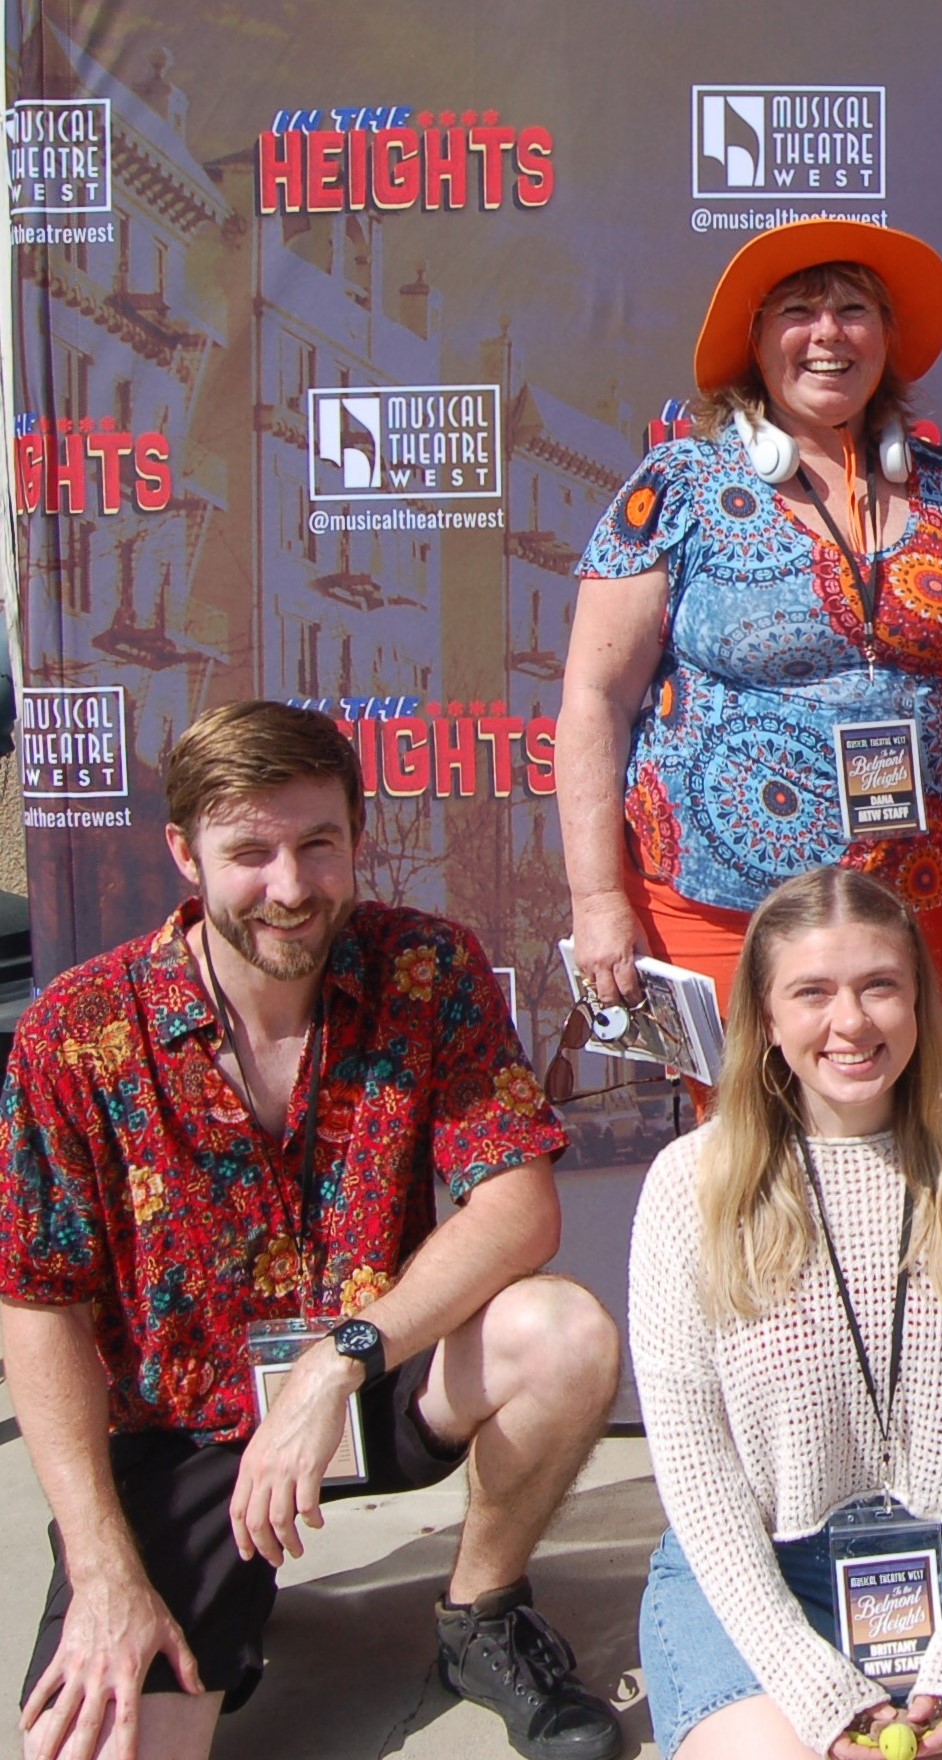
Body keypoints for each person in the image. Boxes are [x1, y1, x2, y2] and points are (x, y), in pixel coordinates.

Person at [0, 701, 624, 1760]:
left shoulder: (425, 966)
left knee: (562, 1332)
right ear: (184, 854)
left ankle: (480, 1613)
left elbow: (519, 1204)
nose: (290, 887)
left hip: (370, 1374)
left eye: (316, 844)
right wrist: (108, 1567)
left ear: (355, 837)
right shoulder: (76, 1029)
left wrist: (340, 1360)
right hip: (182, 1431)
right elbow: (38, 1303)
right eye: (249, 852)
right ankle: (215, 1608)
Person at [628, 865, 942, 1760]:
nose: (851, 1022)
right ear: (764, 1015)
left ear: (920, 1001)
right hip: (756, 1581)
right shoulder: (692, 1183)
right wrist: (808, 1682)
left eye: (880, 986)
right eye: (812, 992)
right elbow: (695, 1468)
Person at [561, 218, 942, 1056]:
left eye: (854, 308)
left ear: (887, 337)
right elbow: (595, 700)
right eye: (798, 311)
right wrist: (598, 897)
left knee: (895, 1138)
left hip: (909, 899)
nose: (828, 334)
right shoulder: (678, 485)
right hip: (717, 906)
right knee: (740, 1153)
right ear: (754, 341)